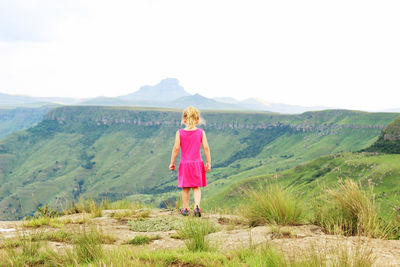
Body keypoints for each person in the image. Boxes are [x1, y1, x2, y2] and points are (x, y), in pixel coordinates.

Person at [169, 106, 211, 217]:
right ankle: (197, 206)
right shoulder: (201, 132)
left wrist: (172, 163)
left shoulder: (180, 133)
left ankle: (186, 209)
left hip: (185, 164)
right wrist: (208, 162)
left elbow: (176, 148)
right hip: (197, 163)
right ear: (197, 120)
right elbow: (206, 148)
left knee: (186, 188)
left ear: (184, 119)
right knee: (196, 187)